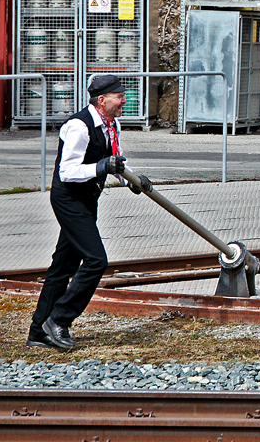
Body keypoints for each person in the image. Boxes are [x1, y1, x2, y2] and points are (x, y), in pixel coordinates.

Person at [28, 74, 149, 350]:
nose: (124, 101)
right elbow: (67, 172)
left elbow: (114, 161)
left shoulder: (111, 124)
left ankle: (38, 332)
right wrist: (102, 167)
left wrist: (134, 180)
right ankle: (58, 320)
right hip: (69, 198)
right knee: (96, 260)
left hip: (87, 198)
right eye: (120, 97)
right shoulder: (79, 127)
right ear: (102, 100)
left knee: (63, 267)